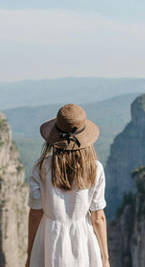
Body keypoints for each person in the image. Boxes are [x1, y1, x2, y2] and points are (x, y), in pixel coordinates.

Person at [26, 103, 110, 267]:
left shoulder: (40, 167)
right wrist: (105, 258)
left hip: (49, 239)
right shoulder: (95, 168)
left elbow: (35, 214)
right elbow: (98, 217)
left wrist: (30, 254)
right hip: (82, 240)